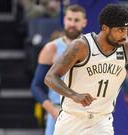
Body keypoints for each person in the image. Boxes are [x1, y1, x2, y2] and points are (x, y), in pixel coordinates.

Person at [44, 4, 128, 134]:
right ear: (105, 28)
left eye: (127, 29)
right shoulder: (81, 46)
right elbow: (50, 77)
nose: (125, 35)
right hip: (72, 119)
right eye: (120, 29)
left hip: (101, 121)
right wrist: (74, 95)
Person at [30, 5, 87, 135]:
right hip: (59, 110)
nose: (72, 24)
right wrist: (52, 110)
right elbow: (36, 86)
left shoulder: (92, 47)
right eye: (69, 19)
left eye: (76, 20)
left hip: (84, 112)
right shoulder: (52, 48)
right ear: (64, 20)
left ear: (84, 22)